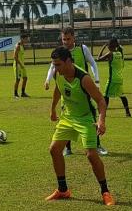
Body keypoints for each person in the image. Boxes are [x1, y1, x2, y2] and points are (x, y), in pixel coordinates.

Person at [45, 47, 115, 207]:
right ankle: (63, 190)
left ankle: (105, 192)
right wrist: (52, 109)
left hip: (85, 119)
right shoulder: (58, 74)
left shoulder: (84, 78)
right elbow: (58, 89)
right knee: (54, 150)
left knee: (91, 155)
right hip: (67, 117)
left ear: (68, 61)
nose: (55, 68)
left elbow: (101, 101)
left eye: (58, 65)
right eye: (54, 65)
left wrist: (101, 120)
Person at [44, 27, 106, 156]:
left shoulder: (82, 49)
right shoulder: (60, 53)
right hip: (66, 88)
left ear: (74, 38)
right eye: (63, 39)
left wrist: (97, 80)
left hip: (83, 88)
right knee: (66, 116)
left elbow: (93, 63)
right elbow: (52, 67)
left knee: (90, 114)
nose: (66, 42)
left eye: (68, 39)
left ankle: (97, 145)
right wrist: (48, 80)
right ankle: (67, 147)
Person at [96, 37, 131, 117]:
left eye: (108, 45)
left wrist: (103, 47)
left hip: (112, 79)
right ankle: (127, 112)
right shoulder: (119, 53)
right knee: (122, 95)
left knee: (105, 95)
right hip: (119, 78)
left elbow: (98, 59)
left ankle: (103, 113)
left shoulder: (110, 54)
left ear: (110, 45)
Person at [13, 31, 30, 98]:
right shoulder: (18, 46)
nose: (27, 40)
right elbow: (15, 57)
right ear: (22, 39)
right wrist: (20, 64)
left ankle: (23, 93)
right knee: (18, 79)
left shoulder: (22, 45)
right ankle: (15, 94)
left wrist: (22, 65)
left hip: (22, 65)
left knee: (25, 78)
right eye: (26, 39)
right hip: (18, 65)